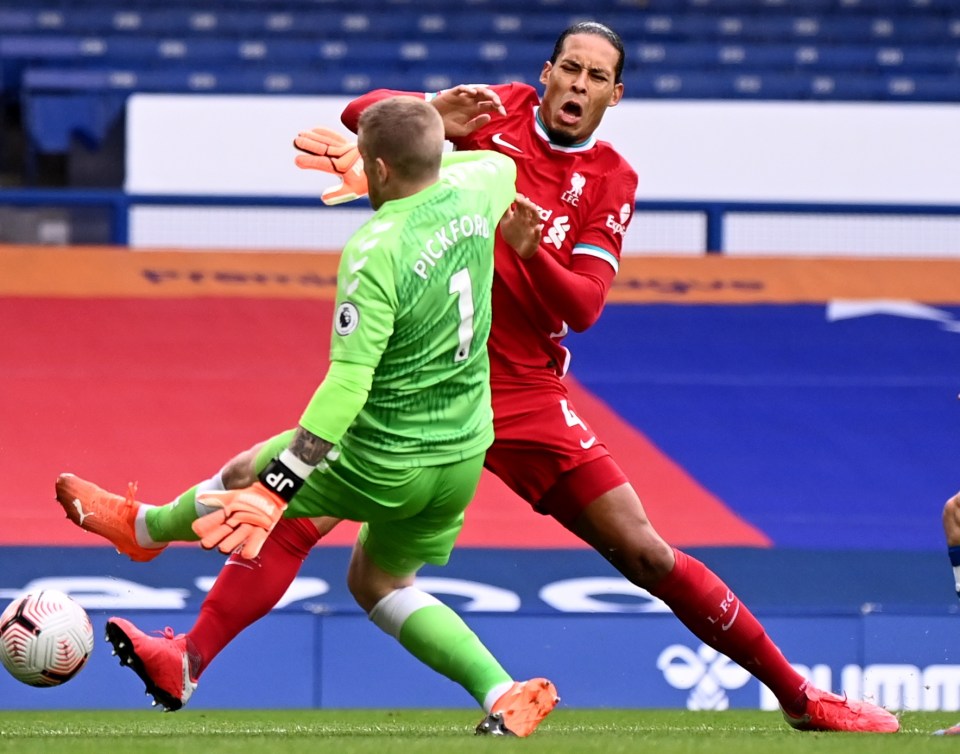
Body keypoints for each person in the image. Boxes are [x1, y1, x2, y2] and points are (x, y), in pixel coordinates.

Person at [57, 22, 899, 733]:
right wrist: (432, 104)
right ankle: (186, 651)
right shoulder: (499, 120)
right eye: (567, 66)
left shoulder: (609, 180)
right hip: (425, 376)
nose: (576, 83)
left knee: (641, 547)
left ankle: (799, 695)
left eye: (596, 76)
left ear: (615, 97)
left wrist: (533, 256)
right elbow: (373, 123)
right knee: (295, 520)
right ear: (545, 73)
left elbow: (586, 305)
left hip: (524, 389)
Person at [63, 95, 559, 737]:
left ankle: (146, 529)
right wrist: (424, 128)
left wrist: (279, 485)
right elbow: (480, 163)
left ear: (376, 169)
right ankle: (501, 691)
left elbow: (347, 386)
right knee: (380, 580)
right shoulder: (485, 181)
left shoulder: (375, 248)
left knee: (248, 476)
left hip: (385, 454)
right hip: (463, 452)